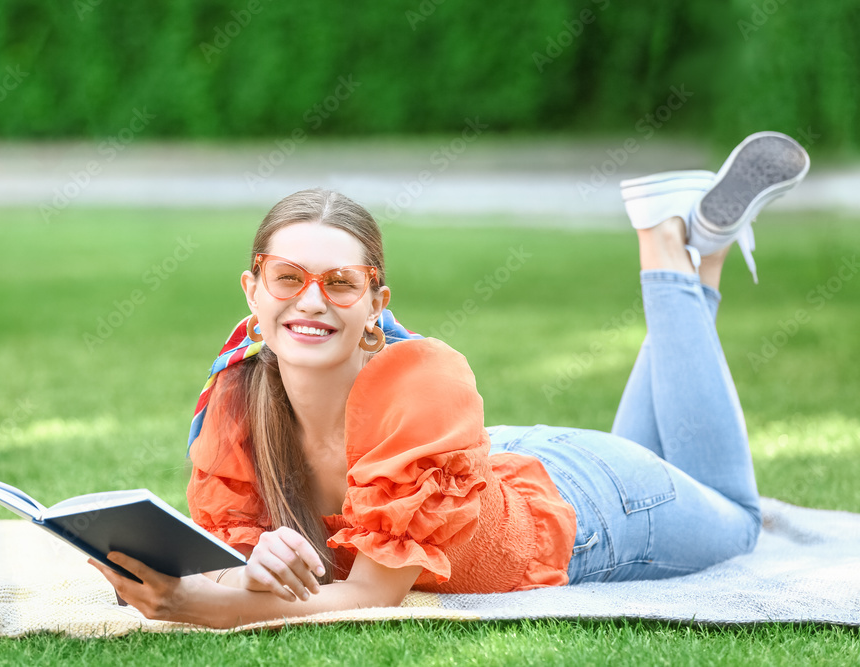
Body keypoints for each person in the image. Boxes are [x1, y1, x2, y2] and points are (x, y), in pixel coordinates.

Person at [89, 131, 811, 629]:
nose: (311, 300)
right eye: (288, 278)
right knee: (678, 458)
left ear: (377, 304)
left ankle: (662, 240)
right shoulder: (237, 400)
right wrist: (246, 563)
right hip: (497, 463)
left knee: (740, 519)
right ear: (252, 289)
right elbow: (227, 544)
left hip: (594, 507)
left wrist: (211, 607)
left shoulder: (422, 379)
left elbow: (372, 593)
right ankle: (701, 250)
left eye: (341, 283)